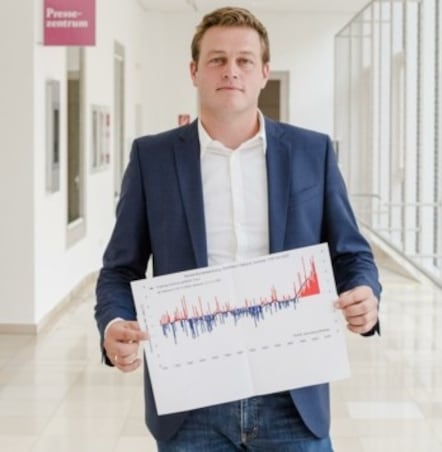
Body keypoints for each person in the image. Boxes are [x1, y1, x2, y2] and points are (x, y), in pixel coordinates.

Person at [94, 6, 381, 451]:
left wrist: (366, 292)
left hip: (293, 399)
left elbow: (352, 254)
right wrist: (113, 322)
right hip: (191, 403)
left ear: (264, 72)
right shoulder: (153, 159)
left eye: (244, 60)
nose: (231, 71)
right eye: (217, 60)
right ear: (194, 71)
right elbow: (120, 268)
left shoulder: (312, 152)